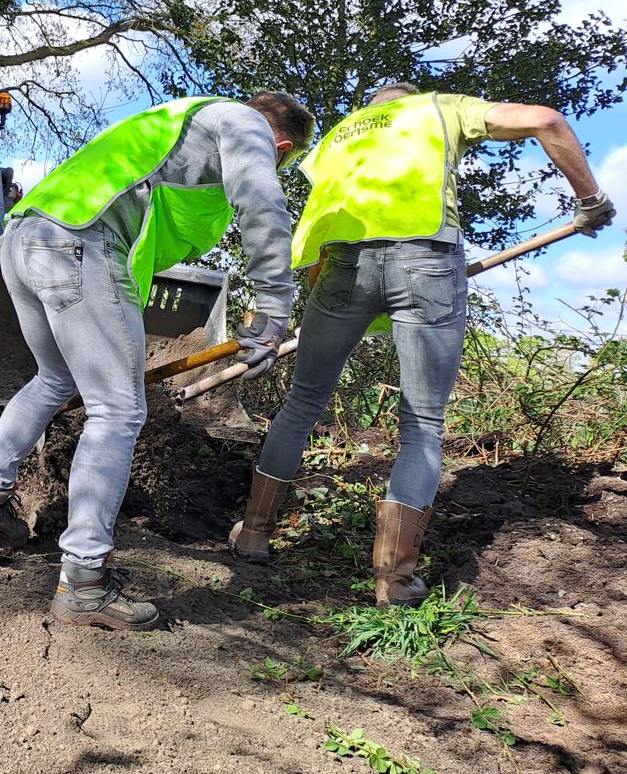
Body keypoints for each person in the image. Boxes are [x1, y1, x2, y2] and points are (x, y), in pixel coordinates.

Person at [228, 83, 616, 606]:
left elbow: (327, 219)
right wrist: (591, 200)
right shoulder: (439, 107)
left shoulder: (339, 136)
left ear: (373, 107)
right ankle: (394, 579)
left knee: (301, 404)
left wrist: (330, 298)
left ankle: (253, 534)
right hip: (428, 263)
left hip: (341, 267)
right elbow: (547, 121)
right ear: (409, 98)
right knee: (422, 423)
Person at [0, 93, 316, 631]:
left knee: (54, 378)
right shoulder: (243, 125)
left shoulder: (180, 117)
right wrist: (274, 305)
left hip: (28, 236)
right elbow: (261, 203)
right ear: (280, 146)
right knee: (118, 411)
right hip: (79, 242)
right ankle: (84, 581)